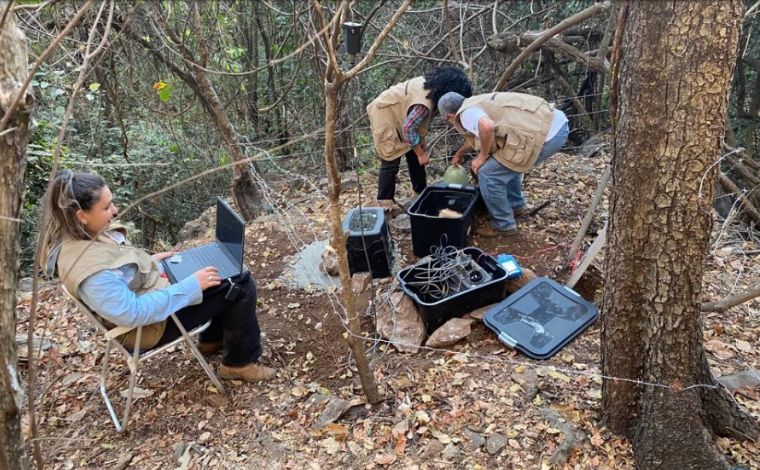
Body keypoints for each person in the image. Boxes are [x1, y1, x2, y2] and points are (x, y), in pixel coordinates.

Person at [41, 171, 275, 383]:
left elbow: (120, 273)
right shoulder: (91, 272)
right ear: (81, 215)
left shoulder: (77, 235)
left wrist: (152, 263)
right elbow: (133, 313)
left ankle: (211, 341)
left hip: (153, 294)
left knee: (222, 270)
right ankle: (237, 363)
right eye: (106, 207)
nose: (114, 211)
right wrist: (190, 286)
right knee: (240, 281)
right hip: (148, 328)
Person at [437, 91, 569, 236]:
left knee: (488, 174)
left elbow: (486, 127)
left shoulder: (465, 114)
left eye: (447, 120)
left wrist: (482, 156)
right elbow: (480, 132)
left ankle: (503, 224)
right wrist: (459, 154)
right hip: (553, 121)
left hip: (547, 134)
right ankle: (515, 206)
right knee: (506, 163)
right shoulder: (474, 102)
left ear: (450, 116)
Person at [367, 67, 473, 202]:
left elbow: (416, 122)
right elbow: (408, 129)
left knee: (415, 154)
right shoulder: (424, 103)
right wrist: (421, 154)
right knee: (391, 160)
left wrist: (420, 140)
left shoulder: (434, 90)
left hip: (404, 117)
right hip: (385, 113)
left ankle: (420, 192)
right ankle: (385, 202)